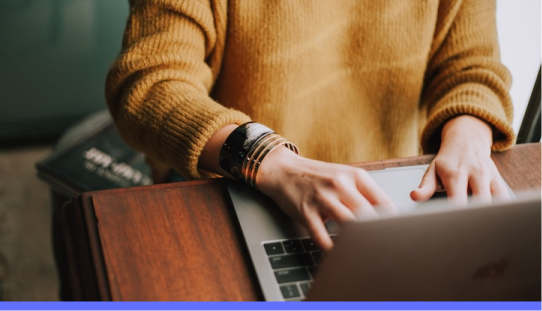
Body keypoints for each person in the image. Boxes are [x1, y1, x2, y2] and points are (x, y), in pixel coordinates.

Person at [105, 0, 515, 252]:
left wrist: (470, 133)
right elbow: (149, 83)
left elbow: (472, 67)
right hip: (234, 189)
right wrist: (268, 159)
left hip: (390, 201)